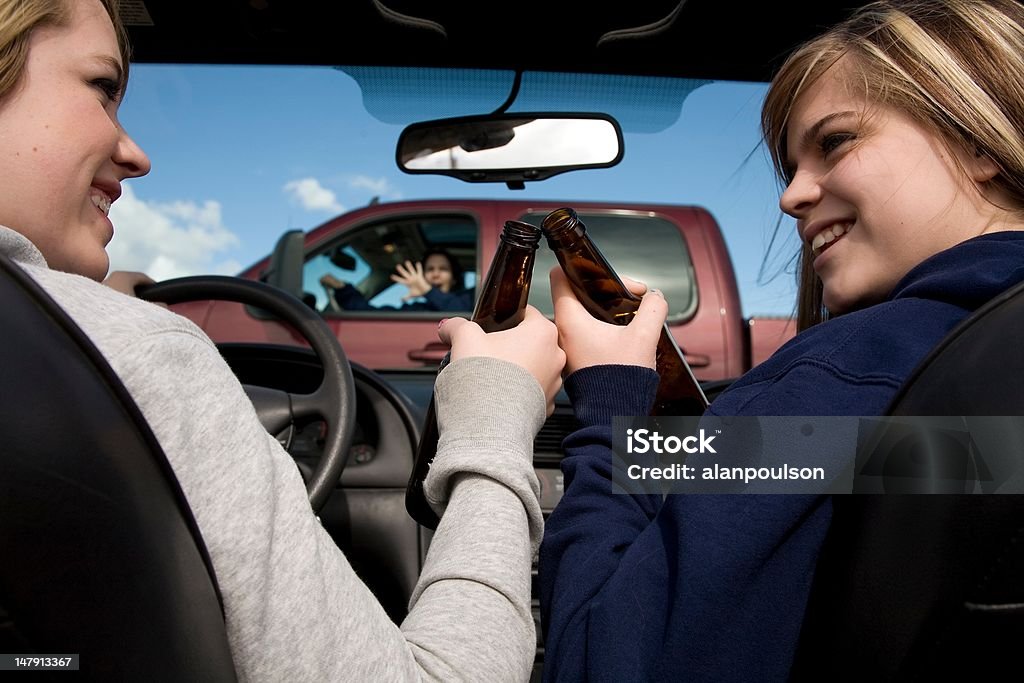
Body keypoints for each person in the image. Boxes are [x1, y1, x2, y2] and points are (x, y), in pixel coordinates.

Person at [0, 1, 565, 680]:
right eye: (102, 88)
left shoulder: (71, 343)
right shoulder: (137, 355)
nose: (136, 152)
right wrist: (498, 416)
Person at [537, 0, 1024, 680]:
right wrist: (680, 452)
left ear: (977, 138)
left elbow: (595, 662)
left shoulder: (846, 378)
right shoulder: (893, 411)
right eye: (791, 166)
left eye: (834, 142)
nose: (791, 196)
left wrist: (612, 406)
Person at [320, 247, 475, 312]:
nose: (435, 274)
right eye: (430, 269)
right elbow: (371, 314)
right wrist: (341, 287)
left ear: (454, 278)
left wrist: (427, 290)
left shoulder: (470, 298)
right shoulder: (417, 310)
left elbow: (460, 313)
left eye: (443, 269)